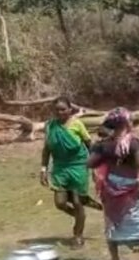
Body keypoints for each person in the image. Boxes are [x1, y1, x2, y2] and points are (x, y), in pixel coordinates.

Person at [88, 108, 139, 260]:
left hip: (110, 188)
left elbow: (90, 163)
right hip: (129, 190)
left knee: (112, 224)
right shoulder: (132, 143)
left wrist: (98, 150)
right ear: (126, 123)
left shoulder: (105, 144)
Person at [40, 96, 98, 248]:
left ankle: (78, 236)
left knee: (77, 202)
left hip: (78, 166)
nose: (60, 113)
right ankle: (80, 215)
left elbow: (89, 145)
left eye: (63, 109)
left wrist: (95, 168)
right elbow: (46, 150)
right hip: (60, 167)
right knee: (60, 202)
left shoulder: (77, 124)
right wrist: (43, 169)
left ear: (70, 110)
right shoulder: (50, 126)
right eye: (57, 110)